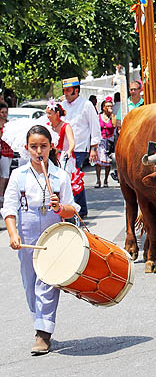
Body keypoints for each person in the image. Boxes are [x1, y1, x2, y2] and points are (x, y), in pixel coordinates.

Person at [1, 125, 78, 354]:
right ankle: (40, 322)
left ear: (51, 147)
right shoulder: (18, 175)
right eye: (33, 147)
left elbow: (73, 208)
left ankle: (43, 333)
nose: (38, 151)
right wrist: (13, 234)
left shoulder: (60, 176)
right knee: (30, 281)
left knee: (47, 280)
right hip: (27, 229)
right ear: (26, 149)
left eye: (43, 146)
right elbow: (10, 208)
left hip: (53, 230)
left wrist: (61, 208)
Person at [60, 77, 101, 217]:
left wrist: (93, 148)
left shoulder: (86, 105)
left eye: (68, 90)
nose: (65, 93)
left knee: (73, 176)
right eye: (64, 90)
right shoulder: (62, 105)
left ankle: (78, 210)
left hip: (79, 148)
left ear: (76, 90)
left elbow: (94, 126)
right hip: (63, 148)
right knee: (67, 177)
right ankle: (76, 208)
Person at [45, 99, 85, 199]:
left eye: (50, 113)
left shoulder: (66, 126)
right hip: (51, 158)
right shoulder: (47, 127)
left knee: (66, 182)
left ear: (57, 113)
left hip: (64, 158)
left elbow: (72, 143)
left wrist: (68, 152)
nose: (48, 116)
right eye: (47, 113)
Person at [95, 97, 116, 188]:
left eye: (110, 106)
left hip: (109, 141)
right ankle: (98, 180)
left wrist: (111, 116)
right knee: (98, 162)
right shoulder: (99, 117)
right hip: (101, 140)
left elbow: (114, 126)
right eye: (107, 106)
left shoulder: (113, 116)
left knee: (108, 162)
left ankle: (106, 180)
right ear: (103, 107)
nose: (109, 107)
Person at [0, 101, 14, 205]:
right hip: (2, 151)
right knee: (4, 175)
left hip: (8, 151)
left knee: (6, 175)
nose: (5, 114)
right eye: (2, 112)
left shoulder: (9, 123)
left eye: (6, 112)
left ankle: (3, 194)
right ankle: (1, 195)